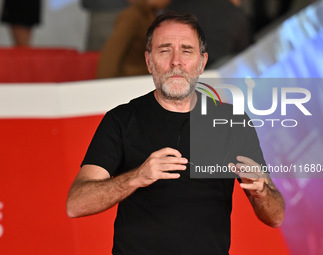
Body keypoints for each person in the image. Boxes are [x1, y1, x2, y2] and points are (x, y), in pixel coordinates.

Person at [67, 13, 285, 255]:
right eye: (164, 50)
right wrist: (136, 177)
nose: (176, 62)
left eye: (187, 51)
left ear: (202, 63)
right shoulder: (121, 120)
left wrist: (262, 192)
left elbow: (276, 217)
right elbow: (76, 204)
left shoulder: (232, 122)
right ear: (149, 62)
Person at [97, 0, 170, 78]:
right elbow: (111, 54)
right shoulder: (132, 16)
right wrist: (104, 86)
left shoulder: (150, 16)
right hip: (129, 80)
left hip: (143, 79)